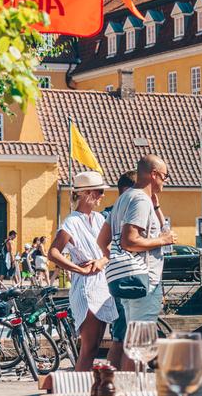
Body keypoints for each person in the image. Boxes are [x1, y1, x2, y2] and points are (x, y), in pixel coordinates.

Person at [98, 155, 175, 370]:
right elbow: (129, 240)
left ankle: (123, 387)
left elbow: (102, 240)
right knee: (139, 346)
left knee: (131, 342)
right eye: (165, 176)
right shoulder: (140, 200)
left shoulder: (123, 199)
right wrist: (163, 240)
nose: (165, 181)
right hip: (145, 281)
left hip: (129, 279)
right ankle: (131, 388)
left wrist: (119, 262)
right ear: (154, 174)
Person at [47, 171, 116, 371]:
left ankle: (89, 385)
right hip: (86, 286)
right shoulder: (72, 221)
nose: (103, 195)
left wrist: (102, 260)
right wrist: (79, 269)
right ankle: (79, 388)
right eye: (99, 191)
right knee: (89, 348)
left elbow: (111, 249)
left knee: (96, 345)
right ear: (86, 193)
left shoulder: (99, 218)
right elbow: (53, 252)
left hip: (103, 283)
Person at [102, 171, 137, 367]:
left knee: (124, 336)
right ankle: (114, 380)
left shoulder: (115, 212)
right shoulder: (115, 213)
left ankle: (111, 379)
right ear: (127, 190)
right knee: (123, 338)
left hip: (128, 279)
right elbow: (101, 243)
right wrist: (117, 261)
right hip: (125, 279)